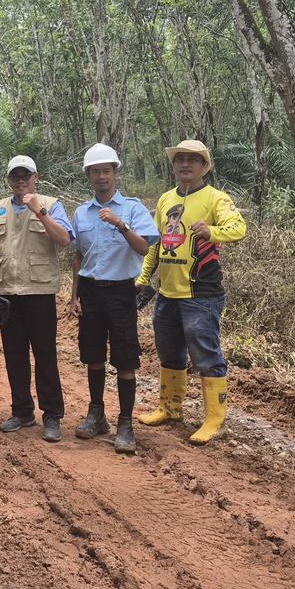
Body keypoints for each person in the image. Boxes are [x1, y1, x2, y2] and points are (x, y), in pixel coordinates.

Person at [136, 140, 247, 445]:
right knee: (169, 352)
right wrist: (144, 277)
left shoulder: (216, 199)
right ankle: (170, 409)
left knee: (206, 355)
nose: (185, 165)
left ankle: (216, 420)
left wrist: (213, 232)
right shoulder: (165, 199)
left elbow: (238, 228)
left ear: (204, 166)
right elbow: (157, 242)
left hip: (201, 293)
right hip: (167, 293)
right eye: (180, 160)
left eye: (193, 160)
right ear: (174, 165)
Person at [68, 144, 159, 454]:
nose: (101, 176)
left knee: (125, 358)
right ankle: (97, 414)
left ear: (115, 173)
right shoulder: (81, 212)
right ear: (88, 176)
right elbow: (79, 256)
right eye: (95, 171)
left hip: (122, 290)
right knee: (92, 355)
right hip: (90, 290)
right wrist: (74, 295)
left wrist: (120, 224)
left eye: (107, 170)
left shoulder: (133, 208)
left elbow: (144, 249)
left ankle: (125, 423)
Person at [0, 155, 74, 442]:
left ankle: (52, 415)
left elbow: (64, 240)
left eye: (26, 175)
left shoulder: (51, 204)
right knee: (14, 355)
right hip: (8, 292)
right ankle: (21, 411)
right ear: (8, 179)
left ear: (36, 177)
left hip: (40, 292)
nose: (21, 180)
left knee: (45, 355)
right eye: (15, 176)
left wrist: (40, 212)